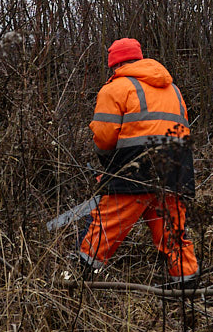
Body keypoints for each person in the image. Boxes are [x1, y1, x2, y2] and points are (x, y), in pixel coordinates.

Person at [74, 37, 199, 284]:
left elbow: (104, 137)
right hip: (176, 171)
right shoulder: (173, 89)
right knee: (173, 235)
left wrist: (109, 167)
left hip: (135, 172)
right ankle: (188, 288)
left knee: (103, 231)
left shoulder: (115, 88)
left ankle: (77, 282)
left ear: (114, 64)